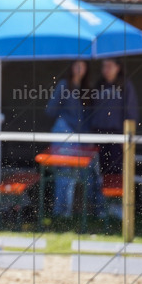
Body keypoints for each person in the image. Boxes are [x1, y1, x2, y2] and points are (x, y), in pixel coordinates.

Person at [44, 60, 99, 223]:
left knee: (81, 175)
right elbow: (50, 110)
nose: (79, 69)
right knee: (64, 174)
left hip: (79, 138)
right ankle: (60, 213)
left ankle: (81, 212)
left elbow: (86, 118)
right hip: (63, 133)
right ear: (71, 67)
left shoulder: (86, 89)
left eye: (83, 66)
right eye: (76, 65)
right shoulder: (64, 85)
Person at [90, 58, 140, 178]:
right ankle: (99, 197)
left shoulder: (125, 85)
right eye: (104, 66)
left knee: (115, 170)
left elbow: (131, 112)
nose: (106, 70)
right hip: (98, 134)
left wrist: (126, 135)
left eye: (109, 66)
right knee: (97, 172)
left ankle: (113, 197)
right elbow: (91, 111)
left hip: (117, 136)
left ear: (118, 67)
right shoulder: (98, 86)